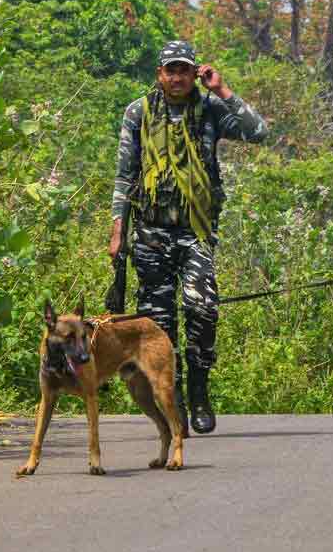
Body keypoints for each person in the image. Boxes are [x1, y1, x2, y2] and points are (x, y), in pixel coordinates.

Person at [109, 40, 268, 435]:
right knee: (158, 325)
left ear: (194, 72)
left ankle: (200, 393)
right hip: (150, 234)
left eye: (184, 70)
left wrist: (222, 89)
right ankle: (173, 400)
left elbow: (259, 132)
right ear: (159, 74)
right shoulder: (138, 113)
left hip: (196, 232)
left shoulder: (209, 109)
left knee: (203, 310)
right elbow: (125, 175)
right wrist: (118, 231)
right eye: (170, 70)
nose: (177, 78)